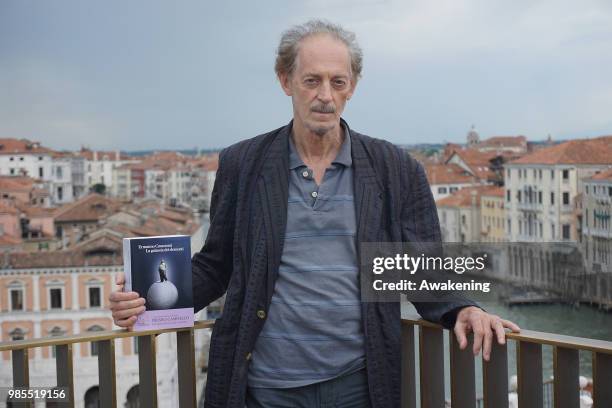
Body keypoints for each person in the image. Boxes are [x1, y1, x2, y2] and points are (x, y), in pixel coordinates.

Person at [109, 19, 520, 408]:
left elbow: (420, 271)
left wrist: (465, 309)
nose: (325, 94)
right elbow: (216, 266)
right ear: (286, 81)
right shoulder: (243, 163)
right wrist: (145, 300)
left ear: (351, 87)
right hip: (264, 387)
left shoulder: (396, 169)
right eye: (312, 80)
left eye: (337, 82)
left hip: (359, 385)